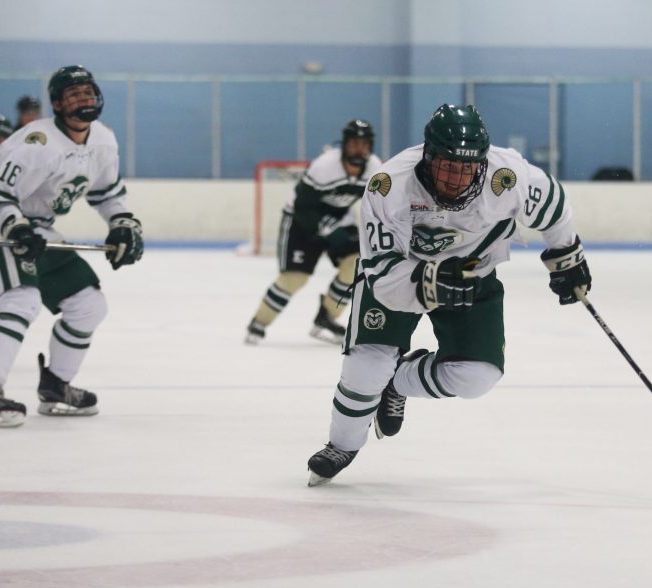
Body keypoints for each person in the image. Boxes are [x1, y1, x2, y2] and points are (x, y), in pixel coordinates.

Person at [306, 104, 592, 485]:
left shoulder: (507, 177)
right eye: (448, 165)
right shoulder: (389, 184)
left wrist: (565, 254)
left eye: (467, 167)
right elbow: (383, 276)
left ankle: (399, 382)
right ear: (428, 155)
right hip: (401, 272)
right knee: (366, 368)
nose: (457, 178)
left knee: (477, 377)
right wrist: (430, 282)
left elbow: (554, 207)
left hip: (474, 276)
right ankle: (343, 444)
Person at [0, 65, 144, 428]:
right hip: (4, 225)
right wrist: (17, 227)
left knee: (88, 305)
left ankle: (56, 386)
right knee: (21, 298)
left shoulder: (104, 140)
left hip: (39, 231)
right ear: (58, 104)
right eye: (74, 94)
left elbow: (108, 194)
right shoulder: (35, 143)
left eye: (88, 92)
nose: (84, 98)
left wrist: (123, 223)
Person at [245, 119, 382, 345]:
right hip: (301, 222)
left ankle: (326, 318)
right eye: (355, 143)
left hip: (339, 219)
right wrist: (326, 230)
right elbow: (303, 208)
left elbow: (380, 203)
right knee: (295, 278)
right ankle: (259, 322)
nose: (359, 149)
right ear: (345, 144)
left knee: (357, 264)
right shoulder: (324, 167)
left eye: (364, 144)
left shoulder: (375, 169)